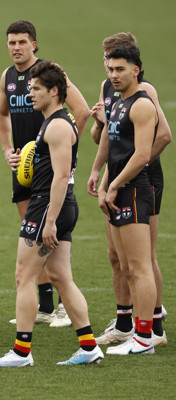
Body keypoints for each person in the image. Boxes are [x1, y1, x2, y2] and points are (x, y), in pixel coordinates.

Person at [0, 61, 103, 367]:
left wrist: (49, 220)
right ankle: (89, 347)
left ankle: (21, 352)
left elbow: (62, 176)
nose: (29, 94)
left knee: (24, 276)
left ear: (54, 91)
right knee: (62, 277)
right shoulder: (51, 122)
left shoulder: (59, 126)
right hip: (54, 206)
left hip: (48, 206)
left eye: (36, 89)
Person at [0, 20, 89, 327]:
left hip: (49, 172)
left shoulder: (50, 74)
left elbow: (82, 111)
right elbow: (1, 114)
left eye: (22, 42)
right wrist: (9, 149)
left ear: (34, 44)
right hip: (25, 170)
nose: (16, 48)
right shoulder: (7, 77)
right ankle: (46, 306)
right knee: (32, 230)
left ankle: (61, 309)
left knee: (52, 234)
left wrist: (65, 151)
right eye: (11, 42)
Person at [87, 33, 170, 348]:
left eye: (116, 63)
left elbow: (161, 136)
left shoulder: (143, 94)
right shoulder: (111, 90)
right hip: (118, 176)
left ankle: (151, 329)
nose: (110, 68)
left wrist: (132, 172)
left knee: (143, 258)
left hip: (141, 180)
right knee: (116, 256)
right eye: (107, 61)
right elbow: (108, 134)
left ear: (134, 65)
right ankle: (126, 323)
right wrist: (102, 173)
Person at [97, 47, 159, 355]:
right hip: (118, 191)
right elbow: (117, 152)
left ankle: (145, 339)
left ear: (136, 69)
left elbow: (142, 155)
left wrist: (115, 185)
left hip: (134, 190)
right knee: (124, 265)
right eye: (110, 69)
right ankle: (136, 331)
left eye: (120, 69)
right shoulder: (119, 104)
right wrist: (104, 184)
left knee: (139, 267)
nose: (113, 75)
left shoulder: (142, 105)